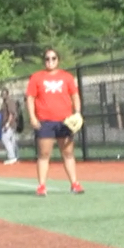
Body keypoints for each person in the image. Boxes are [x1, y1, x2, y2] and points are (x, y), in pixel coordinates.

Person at [26, 48, 83, 196]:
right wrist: (32, 117)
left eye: (53, 58)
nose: (50, 61)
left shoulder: (67, 77)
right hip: (45, 121)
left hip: (64, 122)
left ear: (58, 60)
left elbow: (75, 95)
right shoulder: (37, 77)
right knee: (44, 154)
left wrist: (77, 113)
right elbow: (30, 98)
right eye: (47, 58)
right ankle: (41, 186)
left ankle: (74, 184)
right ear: (44, 61)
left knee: (68, 153)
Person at [0, 96, 21, 165]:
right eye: (2, 94)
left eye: (4, 94)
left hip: (10, 124)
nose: (3, 95)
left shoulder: (9, 102)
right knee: (13, 141)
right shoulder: (5, 102)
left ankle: (12, 157)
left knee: (5, 139)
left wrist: (7, 124)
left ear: (7, 94)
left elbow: (11, 114)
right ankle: (16, 157)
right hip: (11, 124)